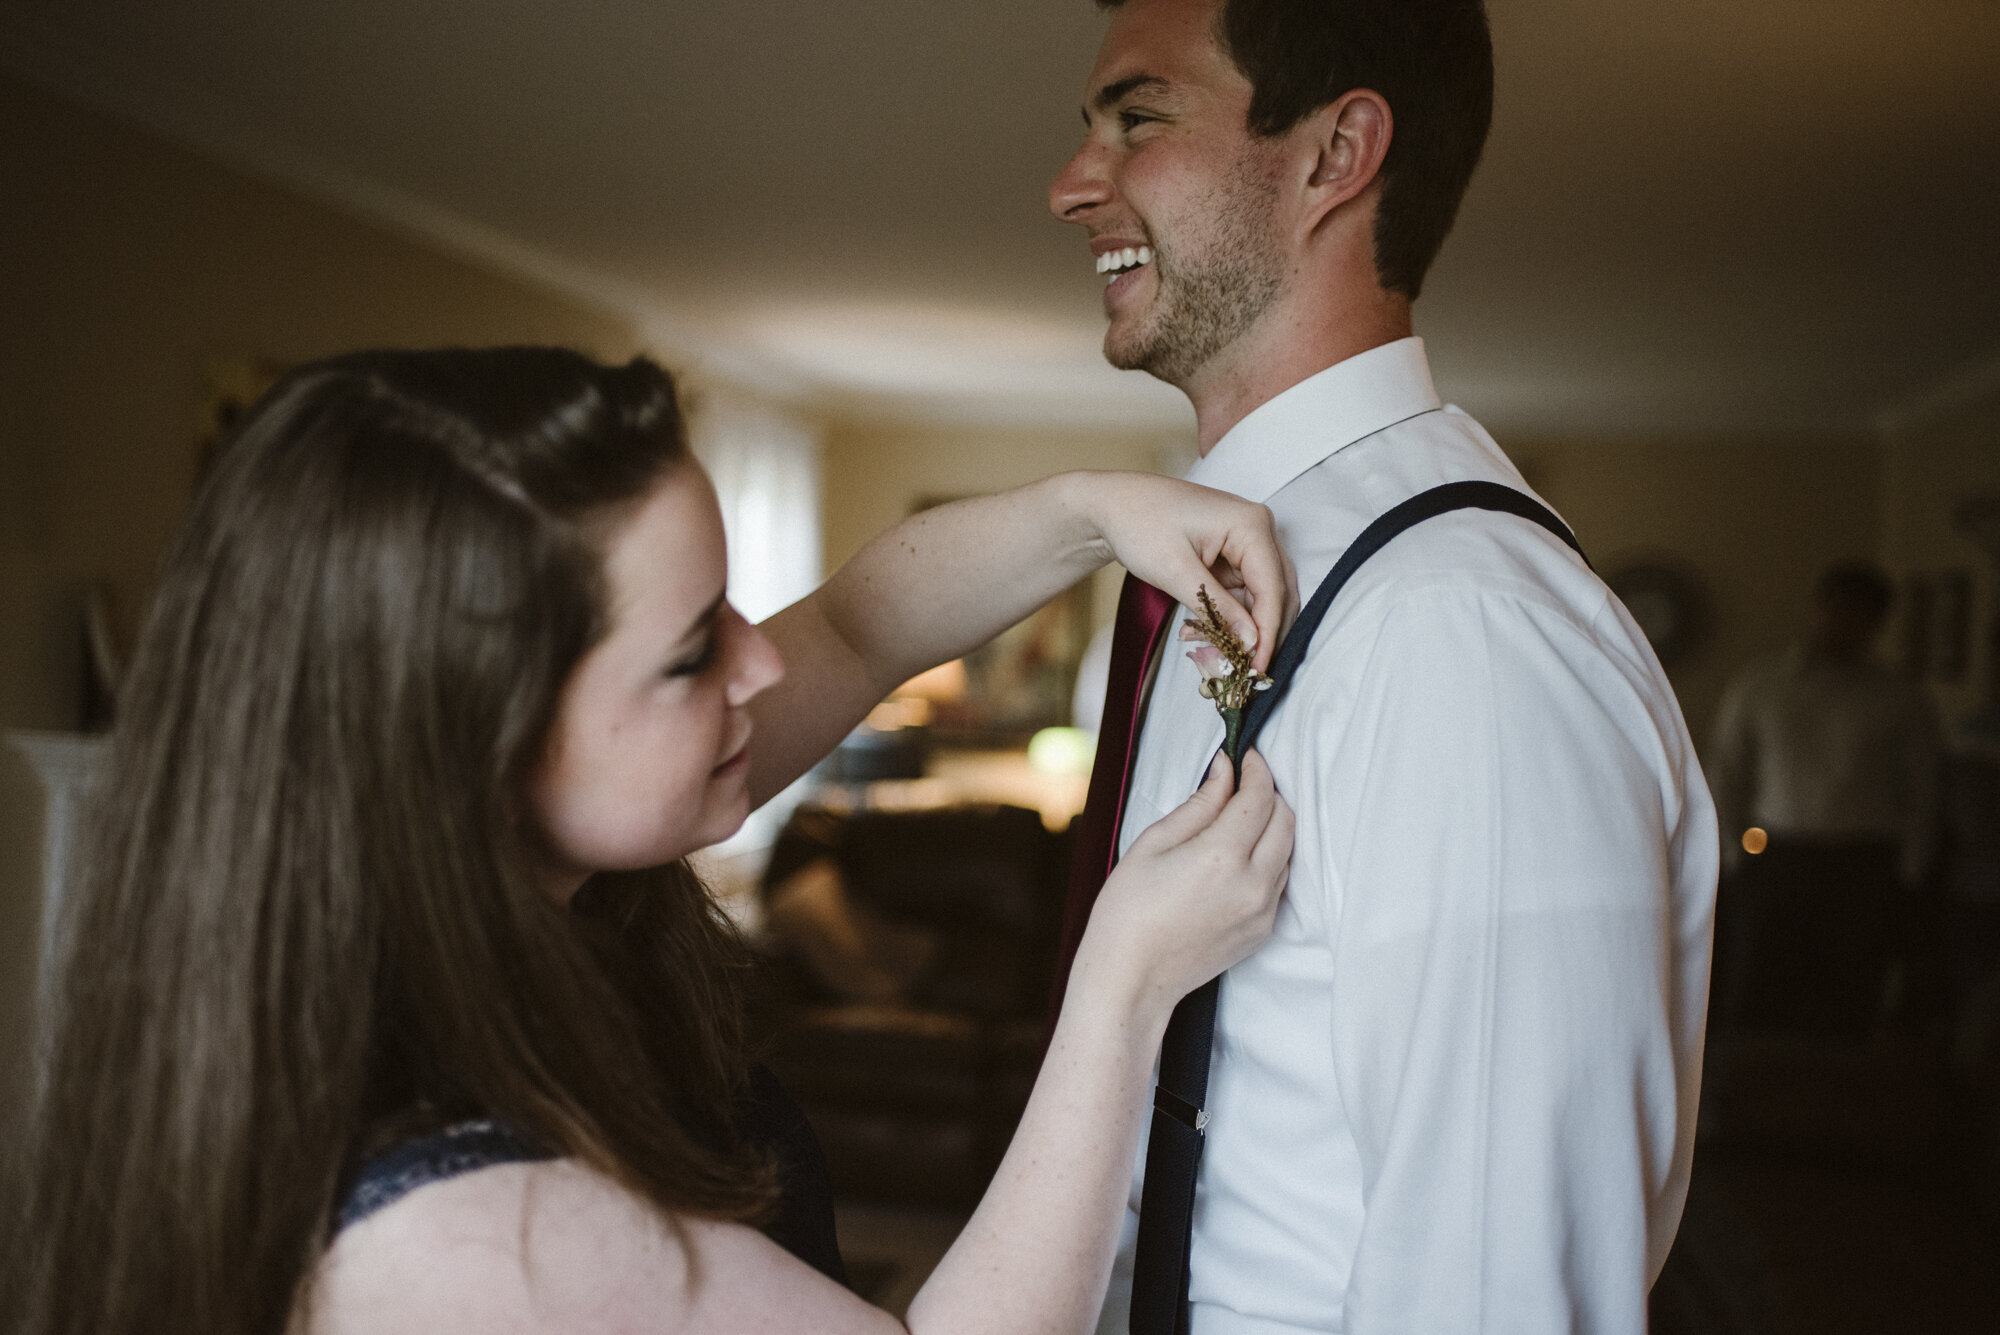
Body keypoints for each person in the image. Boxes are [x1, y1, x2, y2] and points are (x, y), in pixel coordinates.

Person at [1, 346, 1298, 1335]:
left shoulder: (529, 876)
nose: (756, 660)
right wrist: (1120, 984)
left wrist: (1094, 511)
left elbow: (856, 625)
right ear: (477, 743)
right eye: (689, 653)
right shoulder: (456, 1225)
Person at [1045, 2, 1718, 1331]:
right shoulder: (1220, 574)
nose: (1072, 185)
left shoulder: (1458, 634)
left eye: (1139, 119)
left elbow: (1501, 1294)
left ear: (1336, 149)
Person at [1709, 561, 1941, 1035]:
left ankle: (1837, 1101)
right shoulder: (1760, 686)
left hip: (1862, 863)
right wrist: (1736, 858)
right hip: (1776, 859)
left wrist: (1910, 871)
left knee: (1851, 993)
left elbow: (1922, 790)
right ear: (1818, 608)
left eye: (1862, 615)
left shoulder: (1900, 698)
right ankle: (1752, 1100)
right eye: (1838, 609)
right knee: (1758, 991)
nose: (1845, 623)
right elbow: (1727, 771)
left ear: (1877, 623)